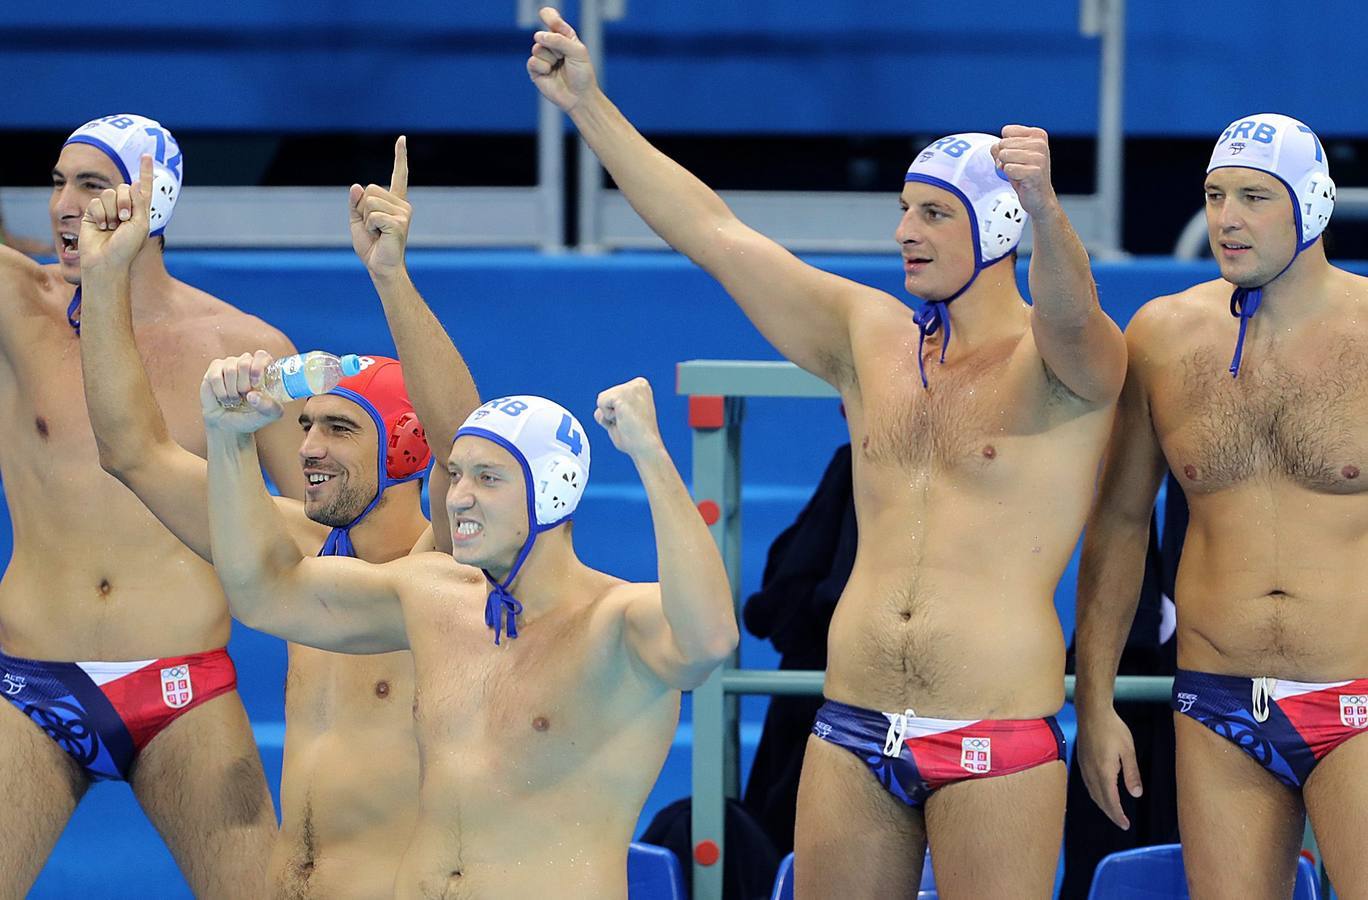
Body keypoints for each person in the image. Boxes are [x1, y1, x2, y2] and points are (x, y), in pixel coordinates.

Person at [526, 9, 1126, 896]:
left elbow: (1073, 311)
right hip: (851, 726)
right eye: (903, 211)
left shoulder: (1065, 366)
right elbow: (716, 234)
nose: (903, 233)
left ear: (999, 230)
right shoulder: (867, 335)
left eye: (931, 214)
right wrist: (588, 104)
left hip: (991, 735)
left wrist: (1045, 208)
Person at [195, 136, 739, 898]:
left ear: (551, 498)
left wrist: (651, 458)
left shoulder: (617, 623)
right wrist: (227, 441)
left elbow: (711, 638)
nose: (458, 497)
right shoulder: (429, 595)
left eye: (488, 479)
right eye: (458, 478)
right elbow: (263, 593)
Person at [74, 148, 456, 897]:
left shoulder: (447, 567)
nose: (308, 448)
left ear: (406, 444)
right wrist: (103, 277)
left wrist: (390, 277)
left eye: (340, 430)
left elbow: (461, 438)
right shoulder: (290, 550)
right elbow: (133, 452)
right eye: (305, 426)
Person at [0, 115, 306, 896]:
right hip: (29, 680)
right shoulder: (17, 307)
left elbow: (329, 517)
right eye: (57, 182)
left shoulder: (242, 346)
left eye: (92, 184)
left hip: (183, 686)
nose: (64, 205)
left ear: (153, 201)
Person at [1075, 112, 1367, 897]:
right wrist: (1095, 703)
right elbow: (1120, 523)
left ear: (1312, 207)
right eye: (1214, 195)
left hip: (1355, 695)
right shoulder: (1164, 337)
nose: (1226, 219)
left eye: (1254, 197)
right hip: (1216, 701)